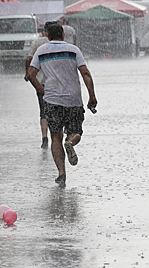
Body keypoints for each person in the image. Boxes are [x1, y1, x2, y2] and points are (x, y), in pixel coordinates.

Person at [27, 24, 97, 186]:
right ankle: (71, 142)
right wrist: (92, 95)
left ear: (48, 36)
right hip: (73, 100)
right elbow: (85, 72)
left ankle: (61, 173)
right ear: (63, 35)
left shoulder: (42, 50)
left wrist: (41, 89)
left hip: (52, 100)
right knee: (75, 132)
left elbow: (30, 74)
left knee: (55, 137)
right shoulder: (73, 50)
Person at [23, 21, 53, 149]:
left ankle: (44, 137)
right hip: (56, 84)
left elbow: (29, 59)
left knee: (43, 111)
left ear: (44, 31)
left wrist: (28, 73)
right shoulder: (59, 44)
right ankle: (57, 137)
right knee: (56, 111)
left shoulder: (37, 42)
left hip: (40, 81)